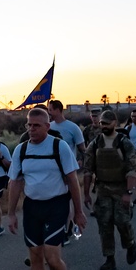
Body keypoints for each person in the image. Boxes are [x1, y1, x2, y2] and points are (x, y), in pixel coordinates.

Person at [6, 107, 87, 270]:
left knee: (52, 257)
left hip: (57, 206)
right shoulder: (21, 150)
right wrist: (11, 213)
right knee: (35, 257)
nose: (32, 129)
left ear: (47, 127)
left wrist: (78, 212)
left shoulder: (58, 147)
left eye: (37, 125)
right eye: (29, 125)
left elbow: (72, 181)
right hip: (32, 207)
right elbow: (15, 183)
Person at [82, 110, 136, 270]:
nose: (103, 126)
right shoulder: (96, 143)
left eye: (106, 123)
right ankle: (109, 258)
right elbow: (88, 170)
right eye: (101, 123)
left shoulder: (124, 143)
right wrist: (86, 194)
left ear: (115, 123)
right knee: (104, 224)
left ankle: (130, 244)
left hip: (121, 188)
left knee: (122, 222)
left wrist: (128, 192)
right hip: (103, 189)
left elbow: (132, 169)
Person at [48, 99, 86, 241]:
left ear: (58, 110)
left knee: (66, 200)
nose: (49, 113)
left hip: (67, 170)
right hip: (51, 171)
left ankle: (67, 230)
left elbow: (83, 148)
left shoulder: (73, 128)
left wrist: (82, 161)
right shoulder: (48, 127)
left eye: (50, 110)